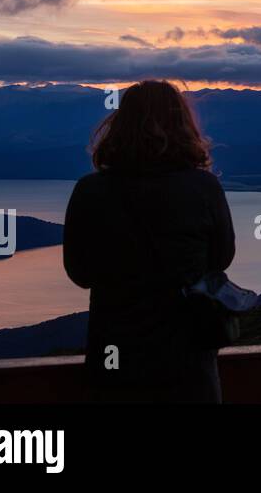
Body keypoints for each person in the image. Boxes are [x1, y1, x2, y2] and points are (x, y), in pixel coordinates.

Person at [63, 79, 236, 402]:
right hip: (187, 360)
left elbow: (80, 273)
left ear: (118, 125)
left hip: (115, 357)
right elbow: (221, 259)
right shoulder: (203, 187)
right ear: (184, 125)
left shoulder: (90, 191)